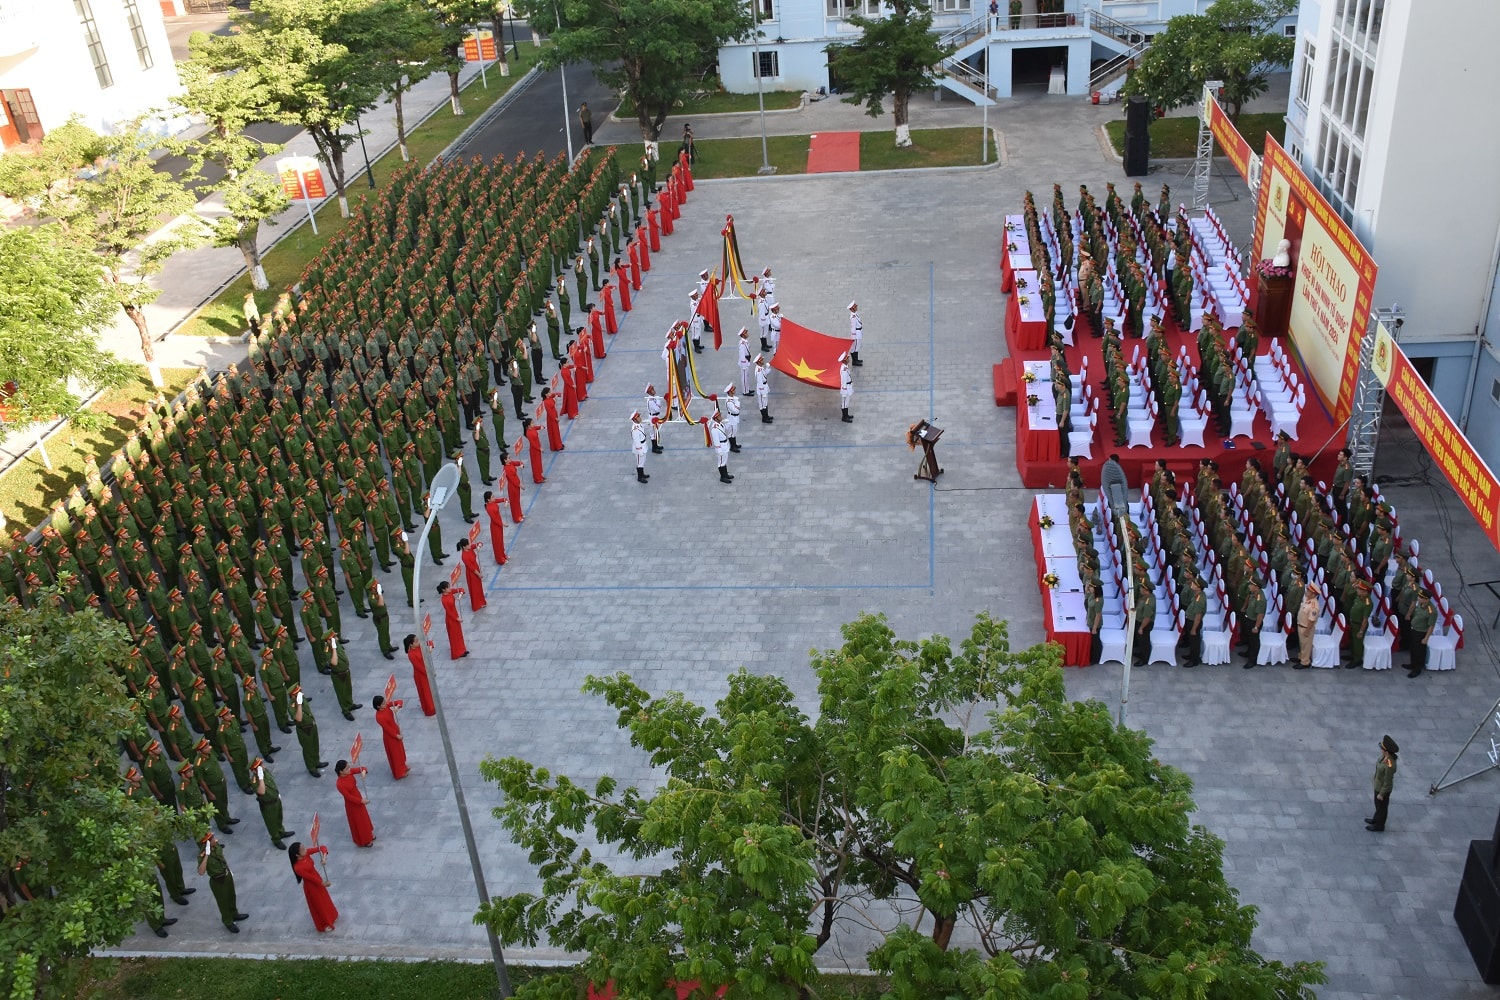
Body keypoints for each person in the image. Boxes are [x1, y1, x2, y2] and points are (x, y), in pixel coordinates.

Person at [196, 831, 248, 933]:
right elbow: (201, 872)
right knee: (223, 902)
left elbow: (222, 858)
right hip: (218, 881)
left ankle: (234, 914)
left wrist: (229, 870)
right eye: (211, 839)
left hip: (226, 875)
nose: (215, 840)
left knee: (231, 896)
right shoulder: (202, 856)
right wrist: (207, 855)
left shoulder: (217, 847)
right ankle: (228, 921)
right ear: (206, 843)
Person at [289, 842, 338, 932]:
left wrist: (324, 858)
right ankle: (324, 924)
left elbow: (322, 847)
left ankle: (332, 916)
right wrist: (323, 883)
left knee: (325, 900)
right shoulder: (298, 868)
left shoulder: (306, 854)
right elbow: (310, 878)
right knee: (319, 905)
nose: (305, 849)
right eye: (302, 849)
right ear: (297, 854)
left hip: (317, 879)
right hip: (312, 887)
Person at [253, 757, 294, 849]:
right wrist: (260, 778)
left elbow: (272, 783)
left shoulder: (265, 772)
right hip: (268, 805)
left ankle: (281, 832)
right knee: (272, 823)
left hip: (276, 800)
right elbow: (262, 791)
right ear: (255, 770)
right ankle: (276, 839)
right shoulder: (255, 780)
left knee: (279, 817)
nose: (263, 766)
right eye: (260, 766)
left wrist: (277, 793)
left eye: (261, 764)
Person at [334, 760, 376, 847]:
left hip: (358, 797)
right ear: (341, 771)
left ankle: (369, 834)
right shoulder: (339, 784)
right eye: (347, 768)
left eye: (348, 767)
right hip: (352, 804)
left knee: (364, 818)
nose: (349, 769)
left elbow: (362, 768)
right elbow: (348, 797)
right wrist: (361, 801)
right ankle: (365, 840)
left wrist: (363, 772)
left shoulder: (349, 772)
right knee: (359, 822)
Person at [373, 694, 409, 779]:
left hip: (396, 729)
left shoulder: (386, 706)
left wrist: (398, 706)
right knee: (395, 754)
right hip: (390, 737)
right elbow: (387, 729)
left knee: (400, 751)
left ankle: (403, 767)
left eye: (384, 702)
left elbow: (399, 701)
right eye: (383, 703)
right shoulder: (379, 717)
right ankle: (399, 773)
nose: (385, 703)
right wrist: (396, 736)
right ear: (378, 706)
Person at [1367, 735, 1398, 832]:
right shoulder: (1384, 758)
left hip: (1382, 789)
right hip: (1378, 786)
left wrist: (1381, 793)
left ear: (1387, 752)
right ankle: (1376, 819)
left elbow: (1387, 781)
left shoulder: (1389, 765)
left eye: (1383, 749)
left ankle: (1379, 825)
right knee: (1378, 805)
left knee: (1382, 807)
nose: (1381, 750)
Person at [404, 634, 436, 715]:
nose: (418, 642)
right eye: (416, 641)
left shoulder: (419, 646)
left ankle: (434, 705)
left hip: (426, 671)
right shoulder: (411, 654)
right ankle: (429, 709)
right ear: (411, 644)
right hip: (421, 675)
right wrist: (430, 673)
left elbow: (429, 642)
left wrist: (430, 648)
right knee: (425, 692)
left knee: (430, 690)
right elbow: (419, 667)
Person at [438, 581, 469, 659]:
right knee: (454, 636)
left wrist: (461, 593)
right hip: (451, 619)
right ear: (444, 590)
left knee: (459, 634)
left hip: (455, 615)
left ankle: (462, 649)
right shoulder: (444, 600)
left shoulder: (450, 592)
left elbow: (459, 589)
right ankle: (457, 653)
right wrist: (456, 618)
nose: (450, 588)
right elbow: (448, 612)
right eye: (448, 587)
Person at [456, 537, 487, 611]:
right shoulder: (464, 556)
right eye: (468, 544)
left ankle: (481, 602)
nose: (470, 545)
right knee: (475, 589)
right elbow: (471, 568)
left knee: (479, 587)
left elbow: (478, 544)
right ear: (464, 547)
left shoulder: (469, 548)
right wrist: (478, 574)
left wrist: (479, 546)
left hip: (476, 568)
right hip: (472, 573)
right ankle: (477, 604)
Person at [1295, 581, 1319, 669]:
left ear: (1313, 594)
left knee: (1306, 645)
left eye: (1309, 590)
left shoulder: (1314, 606)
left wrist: (1307, 631)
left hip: (1306, 628)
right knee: (1302, 644)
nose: (1306, 591)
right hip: (1301, 625)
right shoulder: (1307, 600)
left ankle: (1305, 662)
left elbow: (1311, 621)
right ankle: (1301, 657)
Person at [483, 491, 508, 564]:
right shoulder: (488, 508)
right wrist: (503, 524)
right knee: (497, 543)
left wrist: (505, 500)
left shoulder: (493, 502)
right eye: (492, 497)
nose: (494, 498)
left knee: (501, 541)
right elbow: (494, 519)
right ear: (488, 499)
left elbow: (499, 500)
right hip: (495, 527)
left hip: (499, 525)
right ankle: (500, 559)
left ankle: (503, 555)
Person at [708, 410, 733, 484]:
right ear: (715, 418)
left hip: (725, 444)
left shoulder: (720, 424)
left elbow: (726, 431)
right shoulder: (714, 429)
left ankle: (726, 474)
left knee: (724, 461)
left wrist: (727, 423)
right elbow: (716, 441)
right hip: (721, 446)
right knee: (721, 462)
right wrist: (719, 450)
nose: (721, 417)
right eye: (719, 416)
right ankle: (722, 477)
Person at [630, 410, 650, 483]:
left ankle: (642, 474)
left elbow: (646, 426)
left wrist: (650, 422)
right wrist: (639, 451)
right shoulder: (635, 429)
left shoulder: (639, 425)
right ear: (635, 419)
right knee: (639, 463)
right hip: (639, 448)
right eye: (638, 417)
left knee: (642, 461)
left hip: (643, 445)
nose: (640, 418)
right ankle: (640, 477)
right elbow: (637, 441)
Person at [721, 384, 742, 453]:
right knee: (732, 433)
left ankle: (734, 444)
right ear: (729, 392)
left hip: (735, 417)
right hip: (732, 418)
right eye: (733, 390)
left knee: (734, 432)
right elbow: (736, 410)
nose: (734, 391)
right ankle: (732, 446)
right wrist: (738, 403)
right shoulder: (729, 402)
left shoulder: (733, 398)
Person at [645, 384, 666, 452]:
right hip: (653, 417)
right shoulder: (651, 400)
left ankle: (656, 445)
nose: (654, 391)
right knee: (653, 433)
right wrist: (658, 401)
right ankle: (654, 448)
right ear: (649, 392)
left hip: (656, 416)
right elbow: (657, 409)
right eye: (652, 390)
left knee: (655, 432)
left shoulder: (654, 398)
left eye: (653, 389)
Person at [755, 355, 772, 423]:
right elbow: (760, 382)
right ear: (758, 362)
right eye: (761, 360)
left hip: (765, 386)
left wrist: (768, 368)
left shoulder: (761, 368)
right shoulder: (758, 370)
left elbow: (765, 374)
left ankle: (767, 416)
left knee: (765, 403)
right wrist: (763, 393)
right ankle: (764, 418)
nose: (763, 361)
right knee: (762, 404)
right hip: (761, 389)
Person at [847, 301, 864, 365]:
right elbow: (853, 327)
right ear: (852, 309)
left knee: (856, 346)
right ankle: (855, 361)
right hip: (856, 333)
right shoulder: (853, 317)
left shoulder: (855, 314)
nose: (856, 307)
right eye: (855, 307)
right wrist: (853, 336)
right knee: (855, 347)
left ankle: (856, 360)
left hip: (859, 331)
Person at [737, 328, 753, 394]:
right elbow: (742, 355)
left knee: (746, 376)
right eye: (746, 333)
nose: (747, 334)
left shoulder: (745, 341)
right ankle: (745, 391)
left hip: (746, 361)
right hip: (744, 363)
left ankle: (747, 389)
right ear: (743, 335)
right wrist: (744, 364)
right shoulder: (742, 344)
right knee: (744, 378)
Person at [839, 353, 854, 423]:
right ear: (844, 360)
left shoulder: (845, 366)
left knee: (846, 402)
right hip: (846, 388)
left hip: (848, 386)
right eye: (847, 358)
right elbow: (843, 381)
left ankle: (846, 415)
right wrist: (844, 391)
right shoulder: (844, 370)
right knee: (844, 402)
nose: (849, 359)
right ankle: (844, 417)